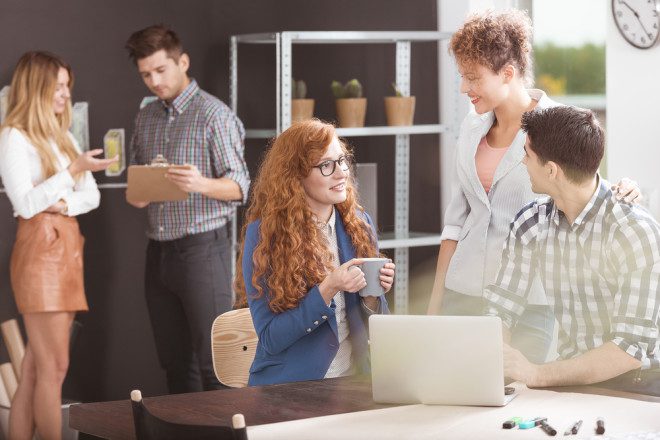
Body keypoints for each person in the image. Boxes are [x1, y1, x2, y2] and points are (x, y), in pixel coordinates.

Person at [426, 9, 640, 364]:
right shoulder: (470, 128)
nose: (465, 88)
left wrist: (625, 187)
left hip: (529, 302)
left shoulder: (558, 126)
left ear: (507, 73)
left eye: (473, 77)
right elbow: (455, 222)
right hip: (461, 291)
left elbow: (584, 186)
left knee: (519, 401)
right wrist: (435, 308)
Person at [485, 106, 660, 394]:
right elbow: (501, 307)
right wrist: (498, 361)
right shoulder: (531, 223)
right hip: (570, 384)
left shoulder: (633, 232)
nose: (523, 163)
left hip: (638, 387)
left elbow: (629, 348)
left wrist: (536, 373)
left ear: (551, 170)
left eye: (527, 156)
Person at [125, 25, 250, 393]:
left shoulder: (214, 115)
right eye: (146, 74)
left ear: (183, 61)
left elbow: (241, 186)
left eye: (161, 70)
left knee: (215, 363)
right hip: (158, 252)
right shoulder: (146, 117)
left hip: (202, 250)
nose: (154, 81)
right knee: (175, 364)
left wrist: (200, 184)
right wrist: (140, 192)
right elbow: (136, 190)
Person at [0, 51, 116, 440]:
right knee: (54, 368)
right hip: (40, 257)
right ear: (38, 88)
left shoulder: (60, 135)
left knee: (35, 368)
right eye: (59, 86)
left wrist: (62, 201)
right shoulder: (14, 136)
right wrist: (72, 172)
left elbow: (92, 197)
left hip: (67, 252)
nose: (66, 94)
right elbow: (26, 204)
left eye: (68, 85)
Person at [235, 119, 394, 386]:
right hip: (292, 386)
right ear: (295, 177)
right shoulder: (264, 236)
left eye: (342, 161)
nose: (341, 173)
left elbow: (376, 329)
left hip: (355, 382)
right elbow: (271, 338)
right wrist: (328, 288)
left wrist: (372, 299)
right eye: (326, 165)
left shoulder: (360, 224)